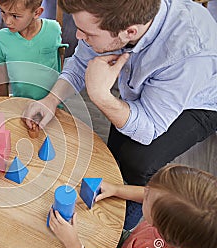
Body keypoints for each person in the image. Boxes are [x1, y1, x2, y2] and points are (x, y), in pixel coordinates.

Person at [22, 0, 217, 229]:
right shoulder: (111, 17)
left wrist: (100, 96)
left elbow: (149, 128)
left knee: (139, 161)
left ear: (130, 31)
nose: (78, 36)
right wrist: (51, 100)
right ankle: (111, 184)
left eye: (87, 33)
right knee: (116, 148)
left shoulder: (189, 53)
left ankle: (123, 225)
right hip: (147, 85)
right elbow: (81, 62)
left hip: (200, 103)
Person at [49, 164, 217, 248]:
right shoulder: (178, 223)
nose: (145, 191)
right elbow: (149, 194)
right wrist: (116, 189)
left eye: (148, 196)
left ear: (161, 224)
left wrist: (73, 244)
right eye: (149, 188)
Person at [0, 0, 67, 99]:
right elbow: (2, 74)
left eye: (15, 16)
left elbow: (60, 61)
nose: (7, 21)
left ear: (37, 13)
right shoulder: (1, 38)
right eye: (3, 12)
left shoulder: (54, 29)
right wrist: (3, 102)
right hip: (20, 102)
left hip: (52, 102)